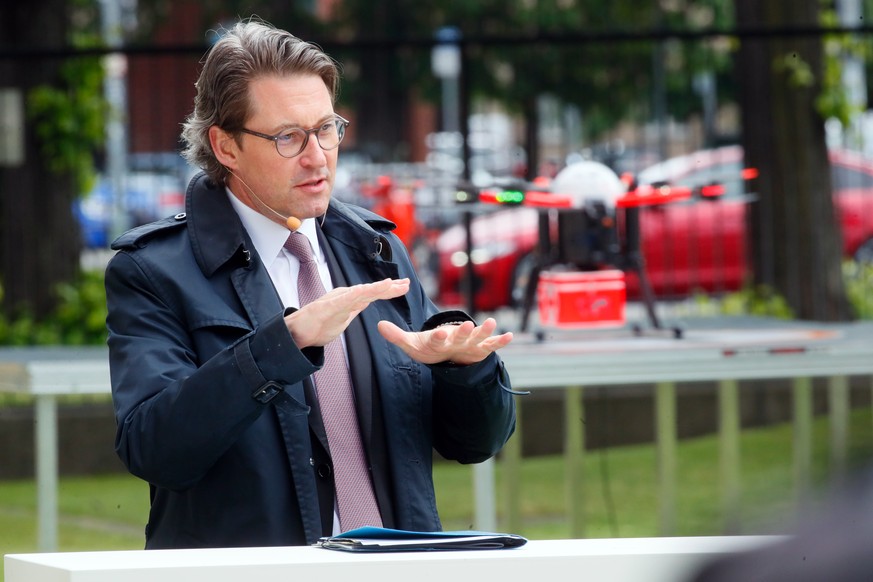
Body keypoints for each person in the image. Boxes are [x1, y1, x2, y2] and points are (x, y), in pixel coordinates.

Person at [105, 18, 518, 550]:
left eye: (326, 129)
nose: (317, 156)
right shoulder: (153, 270)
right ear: (225, 146)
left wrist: (465, 371)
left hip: (399, 566)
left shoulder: (377, 250)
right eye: (288, 137)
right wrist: (285, 344)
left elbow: (474, 444)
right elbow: (153, 449)